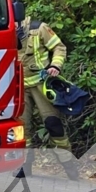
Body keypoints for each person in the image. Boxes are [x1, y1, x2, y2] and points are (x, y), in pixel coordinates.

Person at [17, 14, 77, 179]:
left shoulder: (38, 28)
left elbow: (59, 46)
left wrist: (55, 65)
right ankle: (24, 166)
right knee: (21, 129)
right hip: (18, 87)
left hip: (41, 84)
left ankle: (70, 167)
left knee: (53, 124)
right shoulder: (2, 30)